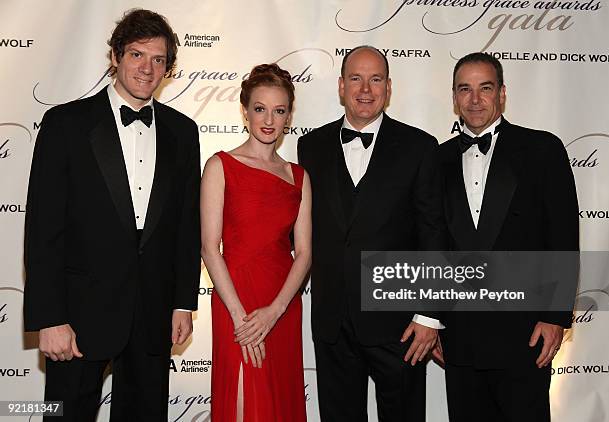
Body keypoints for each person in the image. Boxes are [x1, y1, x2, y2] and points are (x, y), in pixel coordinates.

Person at [23, 9, 201, 421]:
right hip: (79, 315)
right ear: (117, 57)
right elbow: (43, 230)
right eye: (137, 55)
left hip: (153, 313)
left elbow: (185, 227)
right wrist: (50, 318)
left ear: (168, 69)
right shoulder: (66, 124)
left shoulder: (183, 132)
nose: (147, 68)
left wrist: (182, 304)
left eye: (159, 60)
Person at [297, 46, 446, 421]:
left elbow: (433, 233)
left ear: (389, 87)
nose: (366, 89)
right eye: (357, 79)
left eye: (376, 79)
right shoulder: (309, 146)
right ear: (341, 86)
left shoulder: (420, 147)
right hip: (333, 321)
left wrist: (428, 316)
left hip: (399, 324)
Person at [434, 52, 579, 422]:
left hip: (524, 333)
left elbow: (562, 236)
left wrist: (555, 316)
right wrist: (430, 320)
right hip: (460, 335)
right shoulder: (435, 161)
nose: (475, 99)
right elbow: (430, 244)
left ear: (502, 94)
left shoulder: (542, 150)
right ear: (454, 97)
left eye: (485, 88)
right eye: (465, 89)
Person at [200, 63, 311, 422]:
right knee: (243, 402)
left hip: (282, 305)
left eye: (279, 111)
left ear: (288, 116)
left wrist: (275, 311)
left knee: (279, 402)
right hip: (237, 303)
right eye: (260, 108)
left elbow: (304, 253)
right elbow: (208, 247)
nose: (269, 119)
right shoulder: (220, 166)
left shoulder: (298, 176)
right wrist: (241, 318)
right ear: (245, 111)